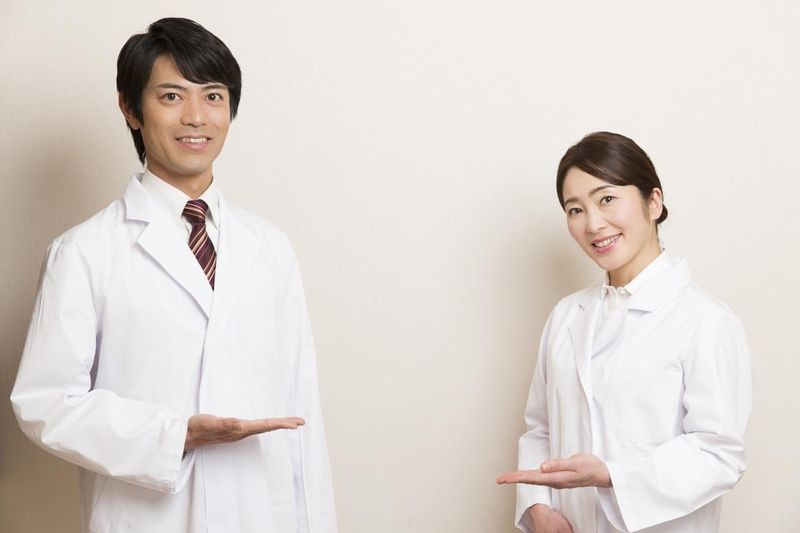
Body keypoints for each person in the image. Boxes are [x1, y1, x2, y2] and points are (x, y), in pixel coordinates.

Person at [10, 18, 337, 533]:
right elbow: (44, 403)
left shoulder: (270, 247)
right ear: (130, 108)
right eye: (171, 96)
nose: (196, 117)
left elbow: (303, 413)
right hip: (149, 517)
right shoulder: (83, 253)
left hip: (263, 516)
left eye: (213, 96)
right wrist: (175, 434)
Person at [497, 132, 752, 533]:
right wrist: (538, 508)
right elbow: (540, 429)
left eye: (607, 199)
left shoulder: (705, 320)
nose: (593, 224)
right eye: (575, 209)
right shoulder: (566, 316)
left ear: (654, 202)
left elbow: (719, 454)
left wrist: (611, 476)